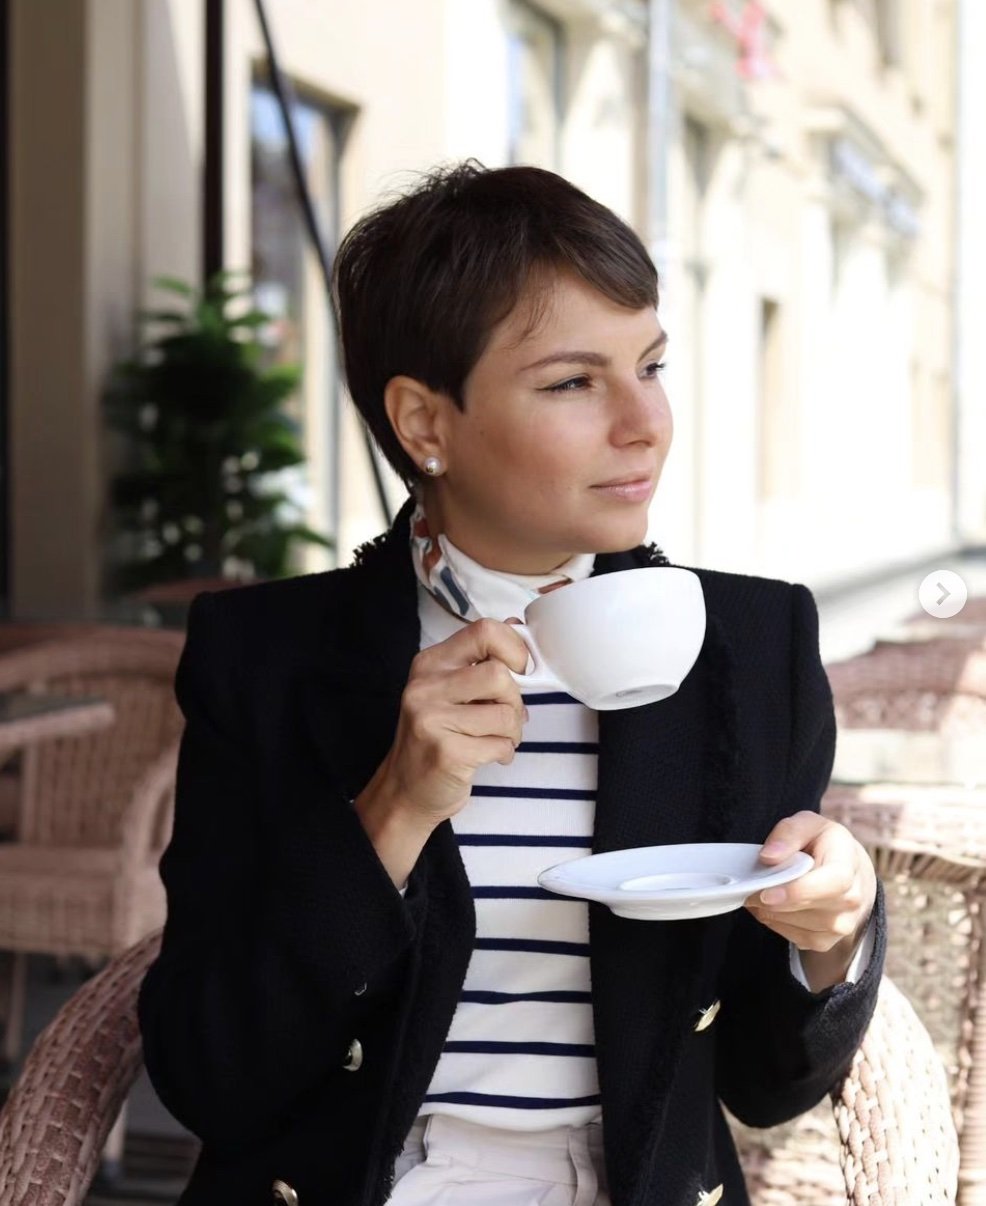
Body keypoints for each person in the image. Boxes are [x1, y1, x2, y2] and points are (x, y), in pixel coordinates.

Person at [138, 161, 884, 1206]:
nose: (644, 422)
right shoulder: (268, 656)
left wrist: (831, 933)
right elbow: (210, 1079)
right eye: (573, 382)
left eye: (652, 365)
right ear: (424, 424)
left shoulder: (752, 648)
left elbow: (769, 1086)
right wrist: (393, 809)